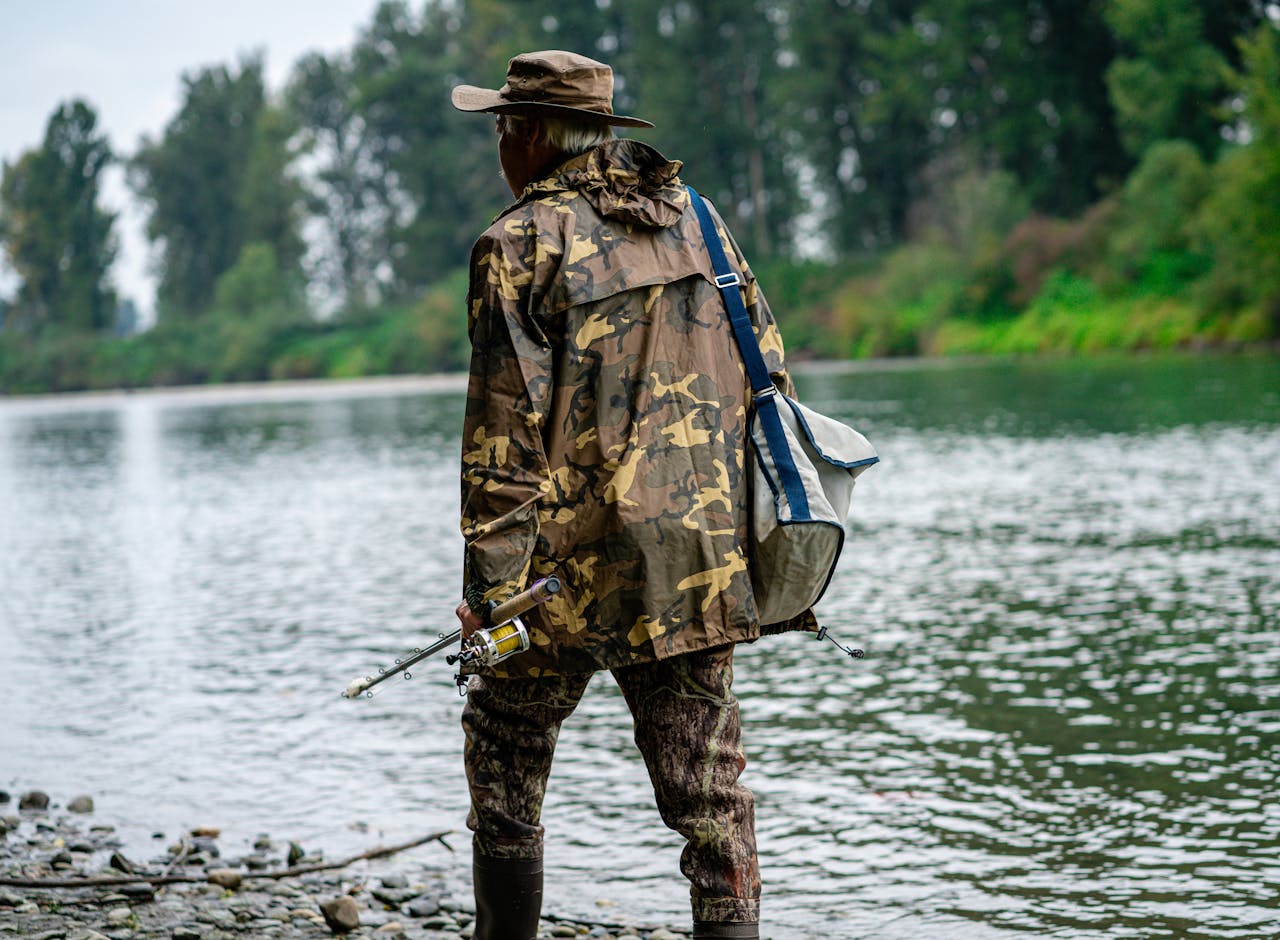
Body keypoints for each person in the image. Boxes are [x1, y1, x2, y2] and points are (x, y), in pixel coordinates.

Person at [450, 50, 811, 940]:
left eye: (503, 128)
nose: (501, 147)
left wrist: (491, 595)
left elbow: (501, 441)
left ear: (531, 136)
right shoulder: (702, 223)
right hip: (696, 560)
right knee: (712, 801)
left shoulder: (516, 245)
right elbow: (770, 378)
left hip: (555, 578)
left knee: (505, 764)